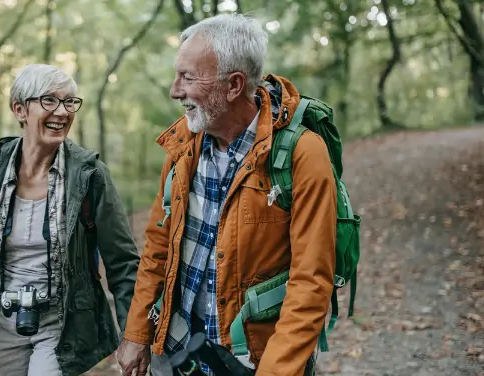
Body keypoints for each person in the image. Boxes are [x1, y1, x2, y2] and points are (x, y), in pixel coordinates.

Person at [115, 14, 337, 376]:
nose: (175, 90)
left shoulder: (301, 154)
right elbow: (158, 245)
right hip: (177, 351)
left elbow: (310, 281)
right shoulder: (183, 145)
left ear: (233, 86)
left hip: (252, 359)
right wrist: (138, 333)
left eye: (188, 77)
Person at [0, 63, 140, 376]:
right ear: (20, 110)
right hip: (0, 321)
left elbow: (122, 262)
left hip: (60, 323)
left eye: (69, 102)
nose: (63, 112)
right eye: (50, 101)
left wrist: (134, 335)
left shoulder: (89, 175)